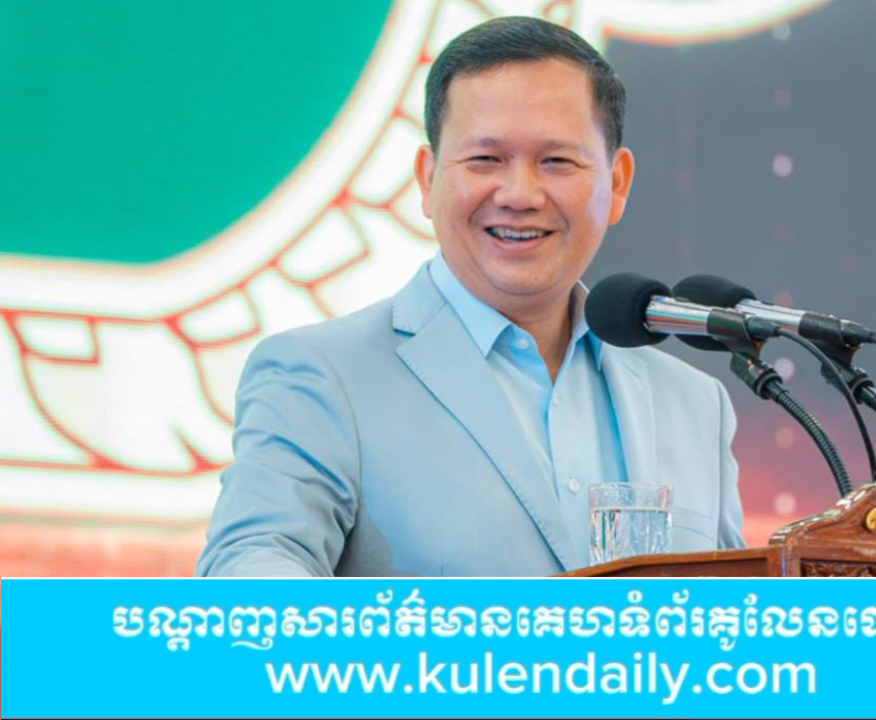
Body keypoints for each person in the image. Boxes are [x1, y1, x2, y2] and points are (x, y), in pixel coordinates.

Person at [196, 16, 745, 577]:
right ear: (427, 179)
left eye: (557, 161)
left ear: (618, 182)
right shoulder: (320, 376)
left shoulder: (695, 403)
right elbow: (251, 572)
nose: (520, 195)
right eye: (485, 159)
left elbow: (735, 609)